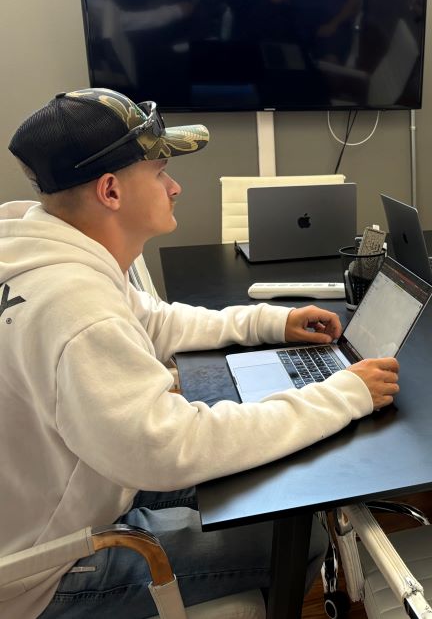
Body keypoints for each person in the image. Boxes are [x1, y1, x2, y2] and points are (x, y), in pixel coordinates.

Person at [0, 88, 400, 619]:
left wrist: (270, 320)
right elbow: (171, 445)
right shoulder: (75, 307)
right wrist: (343, 394)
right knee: (298, 540)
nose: (174, 186)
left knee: (261, 487)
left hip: (77, 492)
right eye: (160, 171)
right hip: (43, 572)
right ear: (111, 190)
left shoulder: (51, 253)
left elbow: (155, 320)